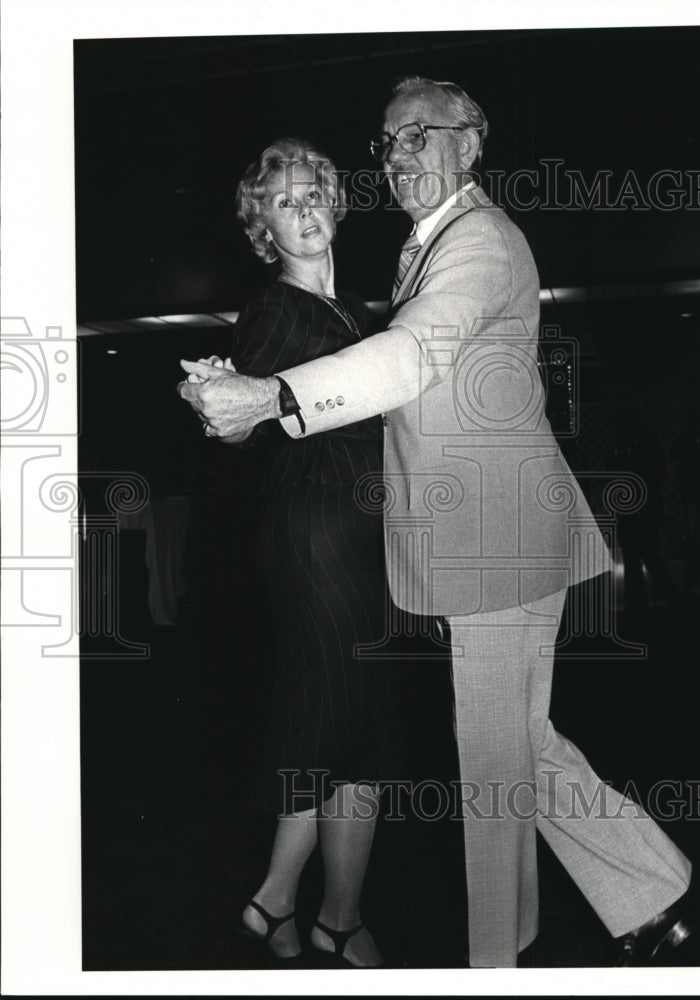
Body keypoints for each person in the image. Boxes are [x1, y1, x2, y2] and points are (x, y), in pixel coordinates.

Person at [180, 78, 693, 969]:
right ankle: (648, 893)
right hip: (489, 539)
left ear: (472, 142)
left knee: (493, 769)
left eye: (421, 133)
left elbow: (412, 356)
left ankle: (499, 961)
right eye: (388, 141)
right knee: (516, 747)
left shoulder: (479, 239)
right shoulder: (428, 249)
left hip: (494, 542)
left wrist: (267, 395)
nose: (400, 152)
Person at [186, 138, 397, 968]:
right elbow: (238, 428)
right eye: (284, 201)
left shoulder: (351, 315)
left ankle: (328, 915)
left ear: (335, 204)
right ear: (262, 226)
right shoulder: (277, 308)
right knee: (341, 720)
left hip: (351, 531)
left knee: (356, 724)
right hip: (318, 533)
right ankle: (280, 898)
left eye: (313, 194)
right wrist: (210, 396)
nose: (303, 209)